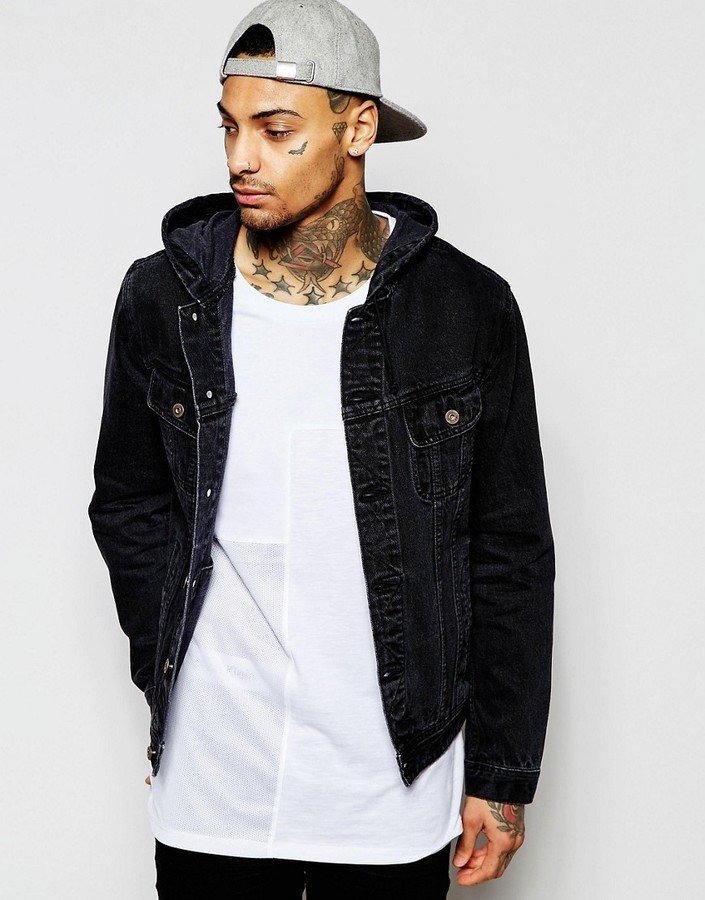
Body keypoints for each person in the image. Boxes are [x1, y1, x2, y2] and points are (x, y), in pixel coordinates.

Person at [87, 0, 555, 896]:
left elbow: (509, 551)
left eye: (275, 131)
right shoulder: (163, 299)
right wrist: (173, 682)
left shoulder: (463, 308)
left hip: (388, 782)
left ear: (358, 128)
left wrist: (500, 775)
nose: (240, 158)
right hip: (214, 780)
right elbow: (130, 504)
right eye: (229, 128)